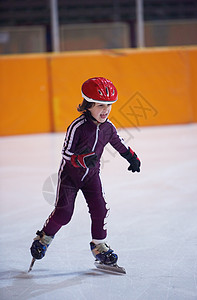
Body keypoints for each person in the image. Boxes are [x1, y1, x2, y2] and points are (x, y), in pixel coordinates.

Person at [30, 77, 141, 266]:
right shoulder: (78, 127)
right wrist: (81, 159)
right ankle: (43, 239)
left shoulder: (108, 127)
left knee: (100, 209)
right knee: (64, 213)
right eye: (100, 105)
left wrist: (132, 157)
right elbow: (66, 153)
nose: (105, 110)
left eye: (109, 105)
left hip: (91, 177)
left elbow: (118, 143)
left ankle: (99, 246)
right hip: (70, 177)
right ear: (88, 105)